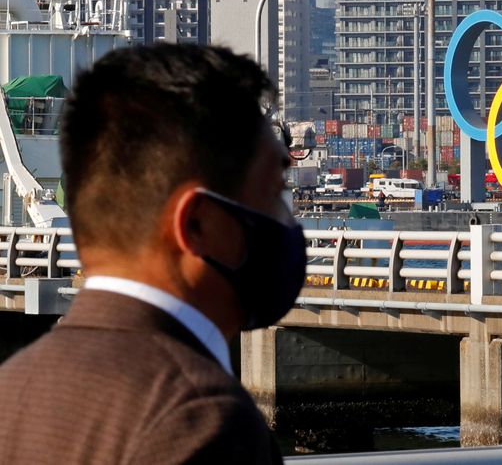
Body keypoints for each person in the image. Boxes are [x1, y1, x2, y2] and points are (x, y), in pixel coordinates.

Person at [0, 44, 303, 463]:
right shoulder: (201, 420)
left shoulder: (13, 390)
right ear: (196, 224)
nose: (288, 220)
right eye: (275, 192)